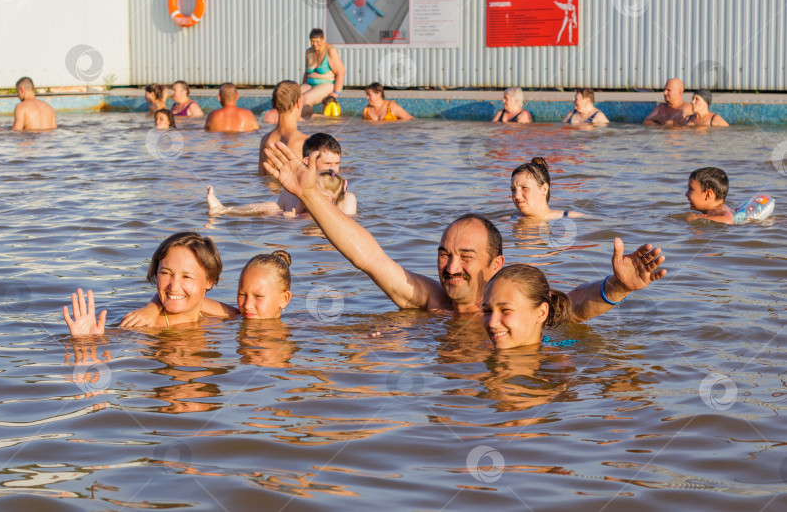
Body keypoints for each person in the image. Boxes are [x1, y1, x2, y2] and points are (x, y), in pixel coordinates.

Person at [262, 141, 667, 318]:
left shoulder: (513, 309)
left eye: (466, 257)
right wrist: (311, 197)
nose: (451, 267)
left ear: (497, 264)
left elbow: (574, 306)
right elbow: (369, 256)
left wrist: (617, 288)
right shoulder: (429, 302)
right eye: (444, 253)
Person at [64, 232, 223, 336]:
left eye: (187, 276)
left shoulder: (218, 316)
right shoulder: (149, 326)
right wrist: (87, 340)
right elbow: (121, 338)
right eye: (165, 273)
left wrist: (152, 307)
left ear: (209, 281)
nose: (173, 286)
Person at [121, 251, 294, 324]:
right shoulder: (236, 317)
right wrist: (151, 308)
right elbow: (183, 296)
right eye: (242, 294)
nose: (247, 304)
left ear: (283, 299)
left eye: (258, 296)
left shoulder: (298, 328)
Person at [482, 264, 572, 349]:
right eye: (487, 311)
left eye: (505, 310)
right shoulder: (478, 352)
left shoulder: (556, 364)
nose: (492, 323)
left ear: (541, 313)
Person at [206, 169, 349, 217]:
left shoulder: (329, 213)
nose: (308, 189)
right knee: (272, 207)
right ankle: (223, 209)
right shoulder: (307, 199)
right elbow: (298, 207)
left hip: (296, 222)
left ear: (328, 199)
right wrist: (293, 213)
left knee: (274, 213)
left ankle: (223, 210)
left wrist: (291, 218)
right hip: (294, 217)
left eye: (313, 188)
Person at [258, 81, 309, 175]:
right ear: (298, 103)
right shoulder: (305, 141)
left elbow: (261, 177)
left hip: (268, 190)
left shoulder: (265, 140)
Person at [510, 157, 583, 220]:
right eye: (513, 189)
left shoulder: (572, 217)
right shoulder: (507, 222)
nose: (516, 196)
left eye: (524, 188)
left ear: (544, 189)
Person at [301, 28, 346, 107]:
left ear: (323, 39)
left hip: (326, 84)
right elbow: (306, 72)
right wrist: (303, 85)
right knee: (291, 97)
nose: (315, 44)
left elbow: (341, 72)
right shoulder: (309, 52)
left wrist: (336, 92)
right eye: (312, 41)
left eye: (317, 41)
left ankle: (308, 118)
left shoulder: (330, 51)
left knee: (305, 98)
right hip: (309, 84)